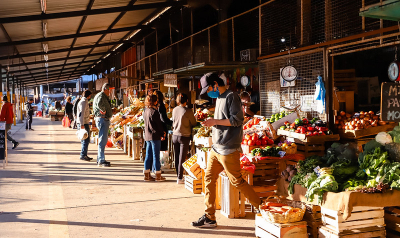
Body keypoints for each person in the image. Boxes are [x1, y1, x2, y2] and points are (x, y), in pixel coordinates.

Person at [191, 73, 261, 228]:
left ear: (215, 84)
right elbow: (224, 118)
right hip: (216, 147)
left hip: (229, 148)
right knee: (208, 178)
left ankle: (261, 207)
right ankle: (210, 217)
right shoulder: (219, 97)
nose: (208, 92)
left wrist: (214, 121)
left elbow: (237, 120)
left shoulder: (232, 96)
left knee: (237, 181)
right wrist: (212, 121)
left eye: (208, 88)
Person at [172, 93, 197, 184]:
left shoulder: (174, 110)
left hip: (175, 135)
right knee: (182, 157)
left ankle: (178, 176)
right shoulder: (188, 111)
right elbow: (194, 123)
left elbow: (173, 121)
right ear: (186, 101)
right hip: (184, 136)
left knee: (177, 156)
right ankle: (179, 177)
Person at [143, 94, 166, 182]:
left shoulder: (146, 111)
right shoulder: (154, 112)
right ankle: (158, 175)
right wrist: (162, 133)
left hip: (147, 136)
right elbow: (158, 126)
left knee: (148, 155)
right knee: (156, 156)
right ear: (155, 102)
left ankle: (147, 175)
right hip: (155, 136)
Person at [93, 83, 113, 167]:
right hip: (102, 119)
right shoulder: (101, 96)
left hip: (102, 119)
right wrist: (104, 110)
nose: (110, 92)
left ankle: (99, 158)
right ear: (105, 89)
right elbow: (99, 104)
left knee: (102, 139)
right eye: (109, 90)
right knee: (102, 140)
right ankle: (101, 160)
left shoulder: (100, 95)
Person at [77, 90, 93, 162]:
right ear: (88, 95)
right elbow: (81, 113)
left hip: (84, 122)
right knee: (86, 139)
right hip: (83, 123)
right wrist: (82, 124)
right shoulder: (84, 102)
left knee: (85, 139)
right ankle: (83, 155)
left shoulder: (83, 101)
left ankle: (84, 154)